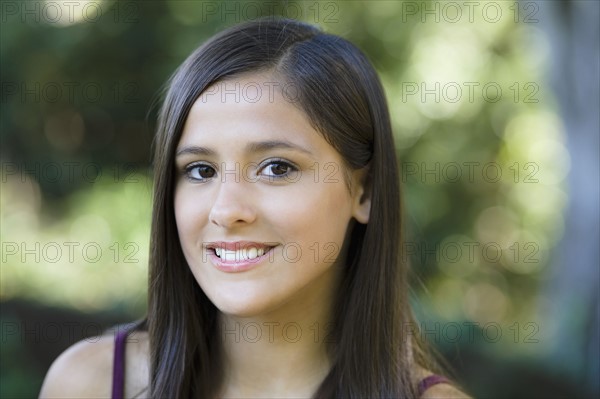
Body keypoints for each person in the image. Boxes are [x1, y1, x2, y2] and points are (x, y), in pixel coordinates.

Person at [40, 18, 470, 398]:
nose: (226, 211)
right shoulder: (88, 384)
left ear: (365, 192)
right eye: (201, 170)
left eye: (276, 167)